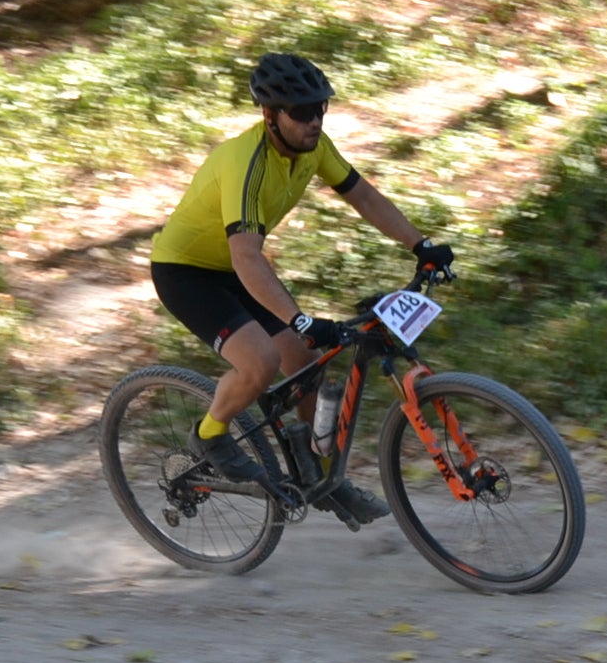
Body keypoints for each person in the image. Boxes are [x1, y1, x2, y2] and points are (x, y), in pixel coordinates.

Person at [147, 53, 454, 527]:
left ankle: (322, 476)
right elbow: (247, 256)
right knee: (262, 362)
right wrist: (299, 318)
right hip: (186, 271)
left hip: (234, 266)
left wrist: (421, 244)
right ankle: (210, 433)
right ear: (270, 117)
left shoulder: (314, 147)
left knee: (305, 365)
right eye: (302, 112)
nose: (314, 121)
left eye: (321, 109)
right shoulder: (245, 162)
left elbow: (363, 195)